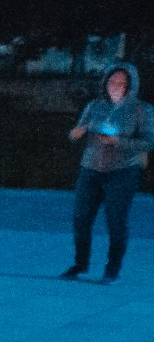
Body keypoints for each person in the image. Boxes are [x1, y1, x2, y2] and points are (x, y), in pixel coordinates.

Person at [65, 63, 150, 282]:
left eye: (122, 83)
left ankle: (112, 269)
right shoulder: (95, 106)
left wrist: (119, 142)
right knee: (81, 219)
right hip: (91, 169)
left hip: (122, 172)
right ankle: (80, 264)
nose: (116, 86)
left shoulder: (141, 110)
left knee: (115, 221)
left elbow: (148, 141)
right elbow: (76, 133)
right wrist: (78, 132)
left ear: (131, 86)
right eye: (112, 81)